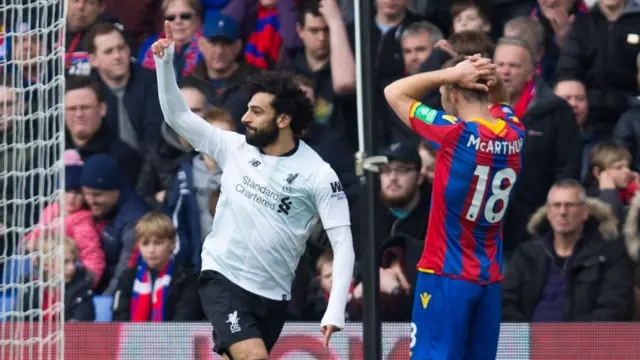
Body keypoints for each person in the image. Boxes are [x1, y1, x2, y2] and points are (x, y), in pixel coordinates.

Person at [152, 21, 354, 359]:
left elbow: (343, 244)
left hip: (274, 295)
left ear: (284, 120)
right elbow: (178, 117)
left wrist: (335, 309)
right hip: (223, 277)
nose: (244, 117)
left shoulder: (318, 174)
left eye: (256, 112)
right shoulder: (233, 148)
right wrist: (164, 65)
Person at [384, 54, 525, 360]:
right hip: (488, 278)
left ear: (453, 91)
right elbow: (502, 103)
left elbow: (394, 92)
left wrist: (449, 74)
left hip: (446, 274)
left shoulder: (455, 133)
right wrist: (493, 79)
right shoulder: (515, 134)